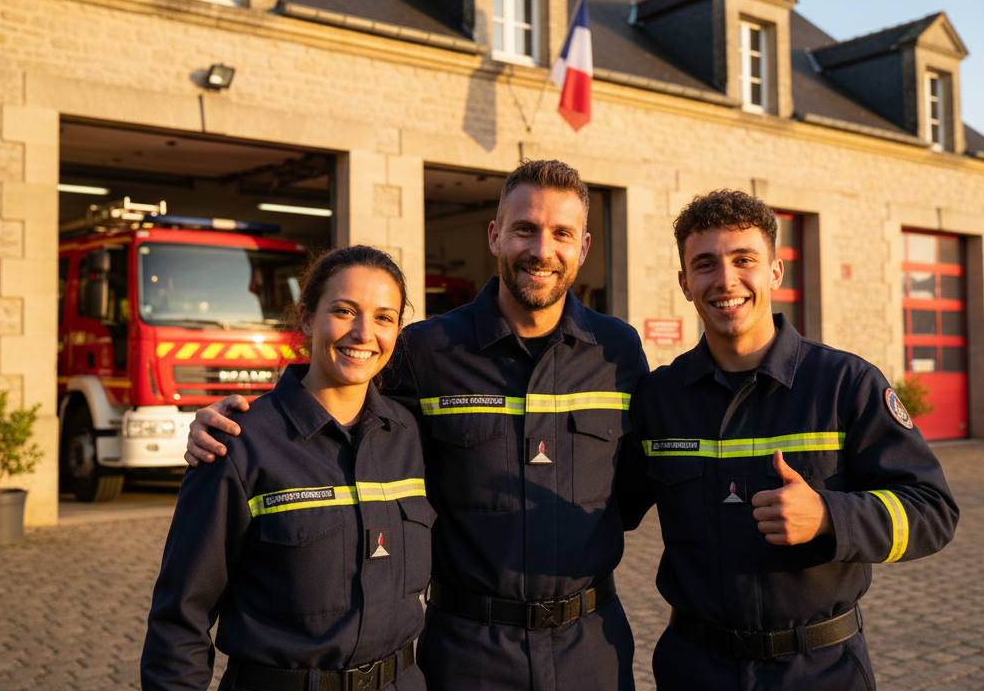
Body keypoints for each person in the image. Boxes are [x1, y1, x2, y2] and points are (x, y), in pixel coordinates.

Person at [185, 160, 651, 691]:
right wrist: (244, 420)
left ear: (584, 247)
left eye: (561, 233)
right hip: (465, 656)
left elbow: (634, 491)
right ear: (496, 235)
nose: (542, 250)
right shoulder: (426, 352)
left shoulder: (619, 352)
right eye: (524, 229)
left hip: (590, 651)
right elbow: (339, 402)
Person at [618, 189, 959, 691]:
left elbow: (933, 510)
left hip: (820, 669)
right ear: (685, 283)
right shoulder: (659, 397)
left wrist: (829, 515)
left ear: (775, 272)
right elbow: (604, 506)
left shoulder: (846, 384)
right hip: (694, 669)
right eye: (706, 264)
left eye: (744, 260)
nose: (726, 280)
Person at [142, 246, 432, 691]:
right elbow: (182, 617)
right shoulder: (238, 444)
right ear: (306, 317)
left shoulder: (411, 435)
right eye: (344, 310)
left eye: (384, 317)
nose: (363, 333)